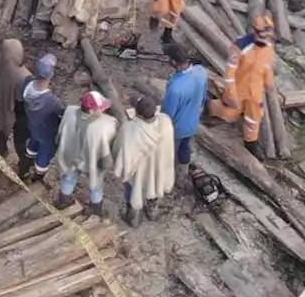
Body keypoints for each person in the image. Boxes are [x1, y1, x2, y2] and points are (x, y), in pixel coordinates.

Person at [208, 15, 278, 159]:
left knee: (254, 118)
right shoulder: (240, 47)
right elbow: (229, 74)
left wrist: (268, 83)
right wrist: (231, 93)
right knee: (229, 113)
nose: (266, 40)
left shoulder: (269, 46)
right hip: (239, 89)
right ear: (255, 32)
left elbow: (268, 67)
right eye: (263, 36)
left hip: (256, 91)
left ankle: (251, 142)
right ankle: (207, 107)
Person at [114, 96, 176, 227]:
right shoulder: (166, 123)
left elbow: (120, 150)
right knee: (154, 184)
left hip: (138, 171)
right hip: (158, 167)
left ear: (137, 113)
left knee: (132, 188)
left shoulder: (129, 129)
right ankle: (152, 211)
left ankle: (133, 217)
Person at [55, 90, 118, 217]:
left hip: (70, 157)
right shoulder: (107, 124)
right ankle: (96, 211)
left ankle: (63, 202)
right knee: (96, 186)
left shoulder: (69, 112)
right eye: (100, 108)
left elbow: (59, 136)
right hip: (92, 162)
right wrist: (106, 165)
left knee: (68, 178)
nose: (103, 110)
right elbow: (106, 155)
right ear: (91, 110)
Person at [161, 42, 208, 170]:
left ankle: (167, 169)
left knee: (169, 148)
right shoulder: (201, 71)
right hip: (193, 120)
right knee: (185, 147)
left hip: (178, 127)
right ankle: (184, 169)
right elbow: (204, 96)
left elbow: (168, 114)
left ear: (174, 61)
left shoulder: (175, 87)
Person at [0, 38, 30, 162]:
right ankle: (22, 164)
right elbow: (23, 101)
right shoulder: (23, 75)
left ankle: (1, 152)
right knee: (17, 138)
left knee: (0, 131)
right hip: (13, 110)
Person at [21, 54, 65, 182]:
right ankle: (38, 175)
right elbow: (62, 114)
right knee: (46, 152)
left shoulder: (27, 83)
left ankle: (27, 160)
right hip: (47, 133)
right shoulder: (52, 101)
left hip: (33, 125)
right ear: (51, 75)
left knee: (33, 142)